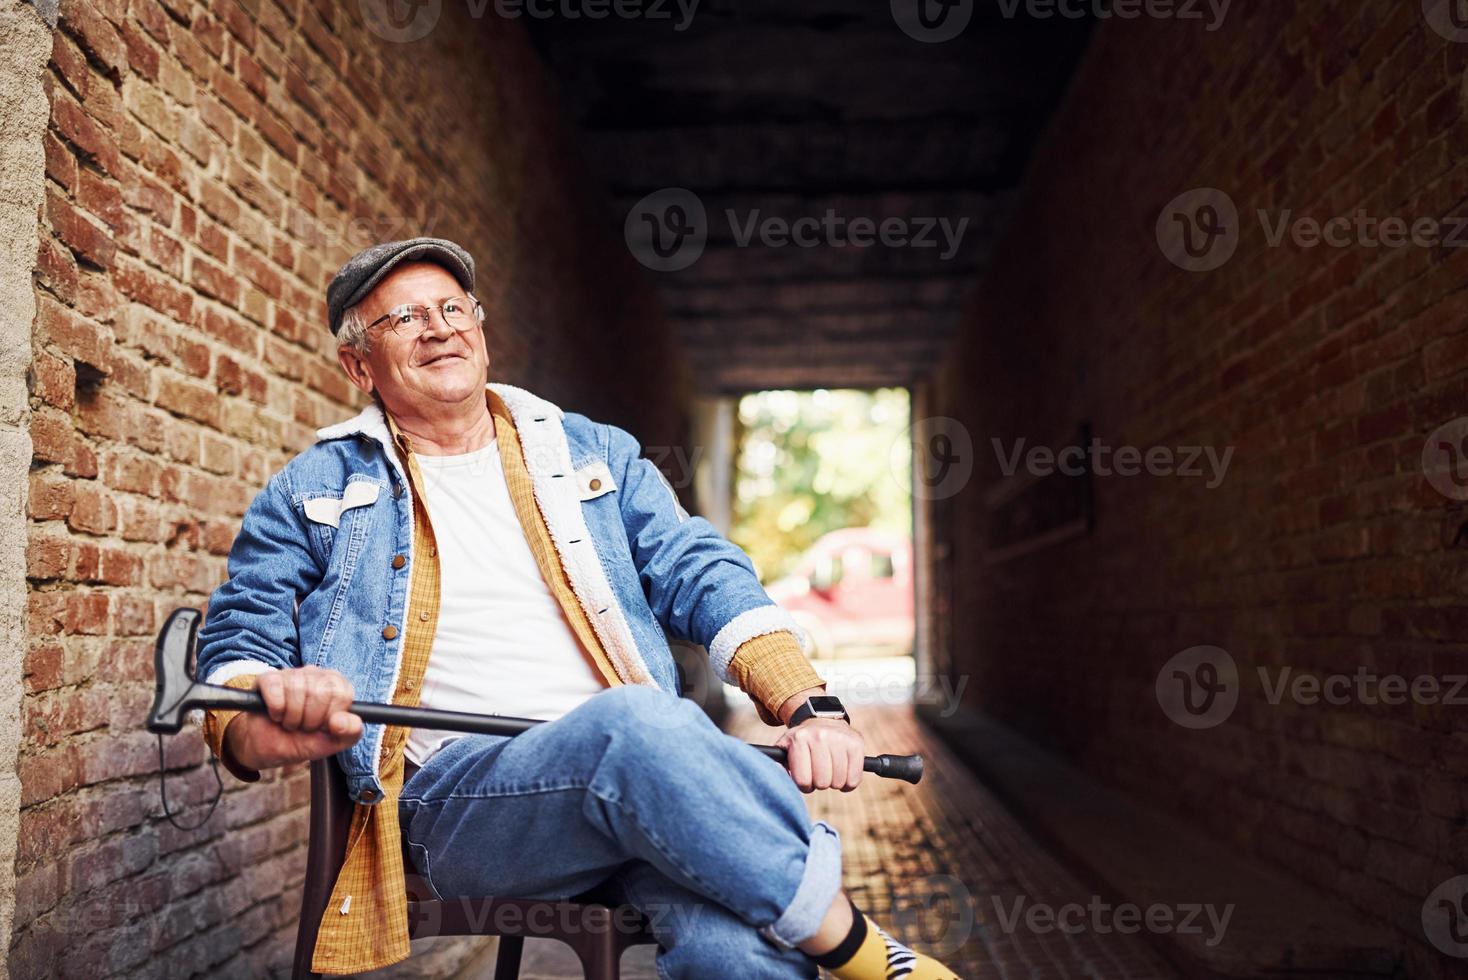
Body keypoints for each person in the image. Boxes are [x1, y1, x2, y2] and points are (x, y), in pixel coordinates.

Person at [196, 238, 960, 978]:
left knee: (738, 944)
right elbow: (241, 630)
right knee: (633, 723)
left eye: (453, 307)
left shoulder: (589, 454)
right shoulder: (314, 490)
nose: (438, 328)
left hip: (649, 779)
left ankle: (797, 910)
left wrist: (808, 702)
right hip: (465, 809)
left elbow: (695, 568)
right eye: (404, 318)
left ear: (481, 332)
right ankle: (853, 941)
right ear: (358, 365)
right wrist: (260, 724)